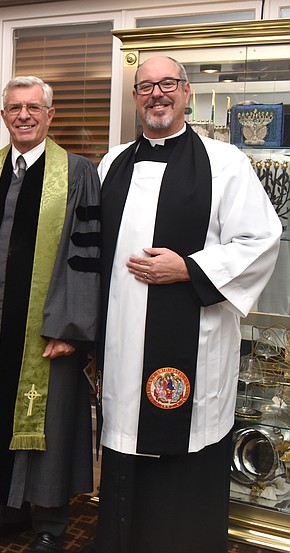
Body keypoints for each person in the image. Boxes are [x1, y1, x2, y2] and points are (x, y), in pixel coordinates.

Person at [90, 55, 281, 553]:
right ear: (136, 97)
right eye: (146, 86)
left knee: (184, 445)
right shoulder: (112, 164)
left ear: (187, 92)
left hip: (193, 340)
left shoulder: (226, 163)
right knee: (126, 437)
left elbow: (261, 240)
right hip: (123, 340)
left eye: (168, 84)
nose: (157, 94)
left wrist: (189, 268)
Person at [0, 76, 101, 553]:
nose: (24, 115)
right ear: (4, 116)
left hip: (48, 326)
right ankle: (7, 510)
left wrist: (71, 327)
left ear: (49, 115)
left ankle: (51, 521)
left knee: (49, 423)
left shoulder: (78, 172)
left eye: (33, 107)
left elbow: (87, 256)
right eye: (15, 107)